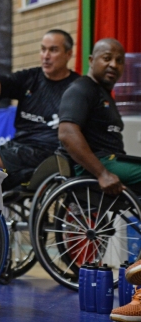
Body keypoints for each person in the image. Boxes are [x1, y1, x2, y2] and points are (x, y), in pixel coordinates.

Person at [58, 38, 141, 321]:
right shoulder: (82, 89)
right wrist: (102, 173)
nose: (114, 65)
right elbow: (67, 134)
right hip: (94, 169)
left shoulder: (103, 95)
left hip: (111, 162)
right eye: (107, 58)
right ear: (91, 59)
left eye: (119, 61)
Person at [0, 29, 80, 189]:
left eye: (53, 50)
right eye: (43, 49)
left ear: (69, 54)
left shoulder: (77, 88)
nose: (46, 55)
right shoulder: (30, 78)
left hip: (49, 152)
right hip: (19, 146)